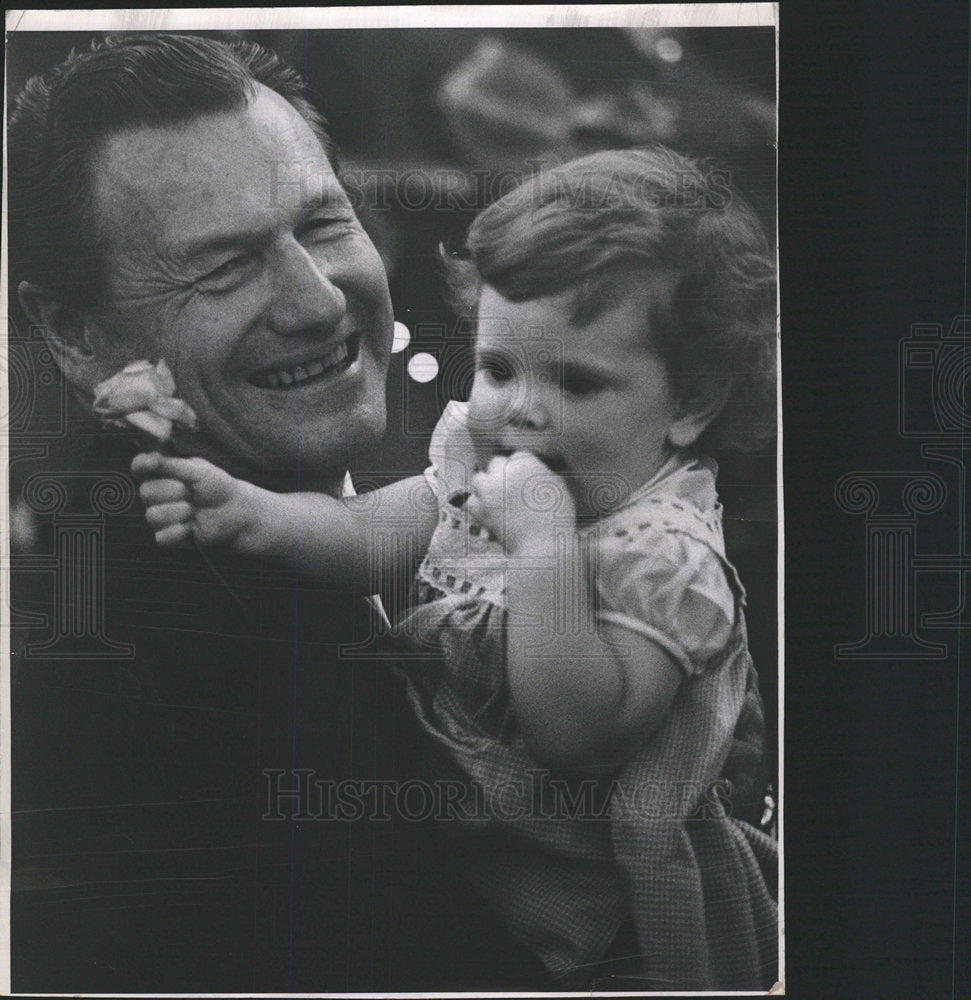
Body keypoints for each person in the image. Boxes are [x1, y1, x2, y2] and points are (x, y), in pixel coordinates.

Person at [135, 147, 780, 990]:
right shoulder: (493, 466)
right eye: (498, 368)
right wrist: (248, 513)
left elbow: (579, 737)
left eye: (577, 382)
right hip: (471, 867)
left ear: (690, 402)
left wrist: (544, 549)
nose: (520, 409)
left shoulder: (665, 554)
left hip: (609, 917)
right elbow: (372, 533)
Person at [7, 32, 545, 993]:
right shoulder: (159, 651)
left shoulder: (363, 511)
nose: (314, 298)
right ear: (73, 333)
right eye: (222, 267)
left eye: (326, 224)